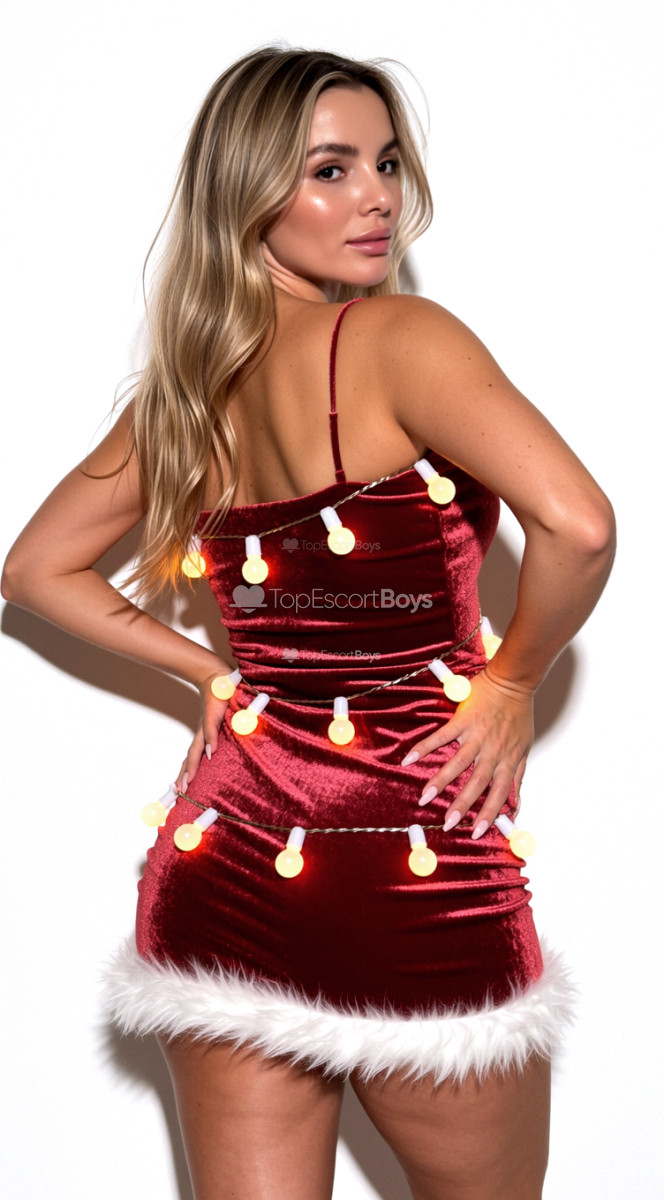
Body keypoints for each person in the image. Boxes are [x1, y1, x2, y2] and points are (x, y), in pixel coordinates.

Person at [2, 47, 615, 1200]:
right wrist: (513, 684)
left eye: (385, 163)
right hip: (410, 857)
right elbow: (579, 526)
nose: (376, 196)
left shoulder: (190, 390)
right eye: (329, 169)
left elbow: (34, 569)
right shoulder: (401, 338)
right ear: (247, 192)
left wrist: (208, 674)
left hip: (227, 853)